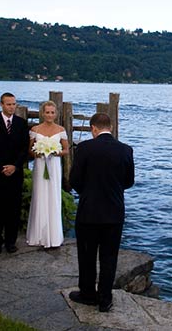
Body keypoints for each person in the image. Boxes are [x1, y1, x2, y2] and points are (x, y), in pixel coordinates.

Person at [68, 112, 135, 313]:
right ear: (111, 127)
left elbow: (75, 180)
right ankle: (105, 299)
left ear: (93, 129)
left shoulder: (85, 148)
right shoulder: (125, 150)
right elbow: (129, 182)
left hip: (89, 211)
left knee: (87, 255)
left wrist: (87, 192)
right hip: (114, 212)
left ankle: (88, 294)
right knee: (109, 256)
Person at [0, 92, 28, 255]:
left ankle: (11, 241)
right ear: (1, 105)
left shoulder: (22, 124)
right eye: (8, 104)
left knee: (14, 208)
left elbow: (25, 149)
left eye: (14, 104)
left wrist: (15, 166)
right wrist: (3, 166)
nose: (11, 107)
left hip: (16, 173)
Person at [26, 100, 69, 249]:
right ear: (42, 113)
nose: (50, 115)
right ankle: (38, 235)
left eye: (52, 112)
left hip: (54, 165)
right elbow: (30, 150)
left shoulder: (61, 130)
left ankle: (54, 236)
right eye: (47, 112)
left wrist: (56, 152)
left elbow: (66, 150)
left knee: (53, 195)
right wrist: (37, 153)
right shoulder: (35, 129)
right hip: (40, 165)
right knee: (39, 195)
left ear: (55, 114)